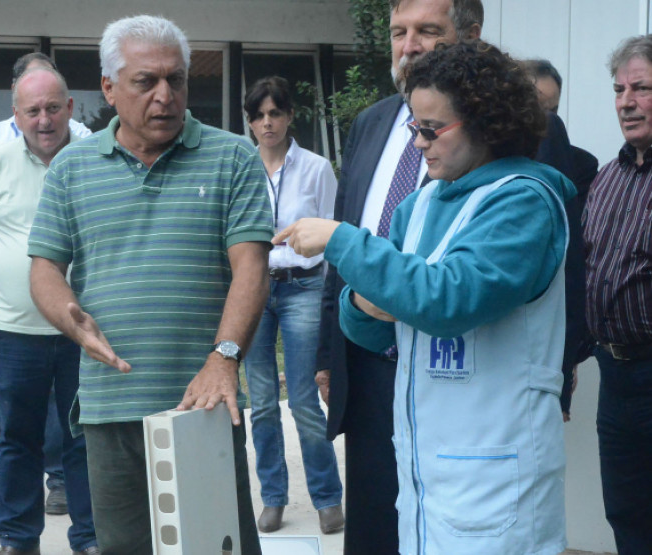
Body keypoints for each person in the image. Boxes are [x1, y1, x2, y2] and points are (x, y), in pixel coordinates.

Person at [280, 40, 572, 554]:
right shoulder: (419, 205)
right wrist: (366, 302)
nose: (418, 142)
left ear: (487, 122)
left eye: (432, 129)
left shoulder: (524, 201)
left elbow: (446, 300)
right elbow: (370, 322)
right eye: (415, 125)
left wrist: (342, 241)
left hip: (499, 476)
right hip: (427, 476)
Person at [27, 15, 271, 555]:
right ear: (110, 89)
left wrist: (224, 357)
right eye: (146, 82)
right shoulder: (71, 168)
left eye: (177, 80)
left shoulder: (232, 157)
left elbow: (251, 267)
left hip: (205, 404)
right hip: (111, 401)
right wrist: (69, 316)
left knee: (217, 545)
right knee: (125, 547)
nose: (165, 95)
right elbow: (43, 267)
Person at [0, 67, 98, 555]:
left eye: (53, 108)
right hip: (14, 331)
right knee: (16, 439)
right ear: (16, 116)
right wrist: (12, 277)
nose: (44, 120)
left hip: (84, 329)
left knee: (85, 437)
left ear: (71, 108)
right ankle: (17, 541)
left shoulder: (96, 159)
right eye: (32, 111)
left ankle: (91, 539)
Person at [240, 76, 343, 535]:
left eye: (275, 113)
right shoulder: (241, 166)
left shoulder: (317, 168)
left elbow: (334, 232)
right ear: (249, 122)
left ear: (289, 117)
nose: (267, 123)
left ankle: (326, 497)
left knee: (302, 399)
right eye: (259, 115)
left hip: (303, 286)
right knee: (261, 401)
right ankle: (273, 496)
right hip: (255, 286)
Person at [582, 34, 652, 554]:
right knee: (625, 507)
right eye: (619, 89)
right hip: (614, 374)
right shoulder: (608, 178)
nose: (626, 101)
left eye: (642, 88)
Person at [522, 57, 599, 420]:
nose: (547, 123)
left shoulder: (579, 168)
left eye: (552, 111)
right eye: (537, 109)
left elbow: (569, 264)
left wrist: (565, 361)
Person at [0, 52, 91, 164]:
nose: (44, 121)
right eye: (33, 79)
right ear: (15, 89)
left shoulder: (83, 137)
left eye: (53, 108)